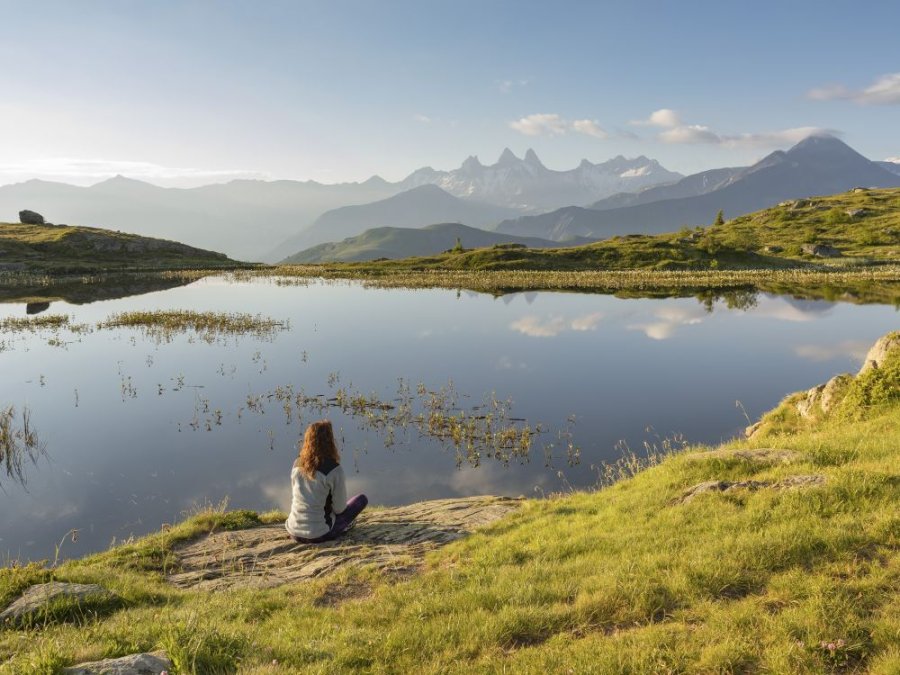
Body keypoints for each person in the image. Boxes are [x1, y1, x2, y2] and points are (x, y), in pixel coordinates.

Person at [285, 420, 368, 543]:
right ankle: (344, 527)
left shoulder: (297, 464)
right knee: (361, 499)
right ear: (330, 442)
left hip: (293, 531)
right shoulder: (334, 469)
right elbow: (339, 509)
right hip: (320, 534)